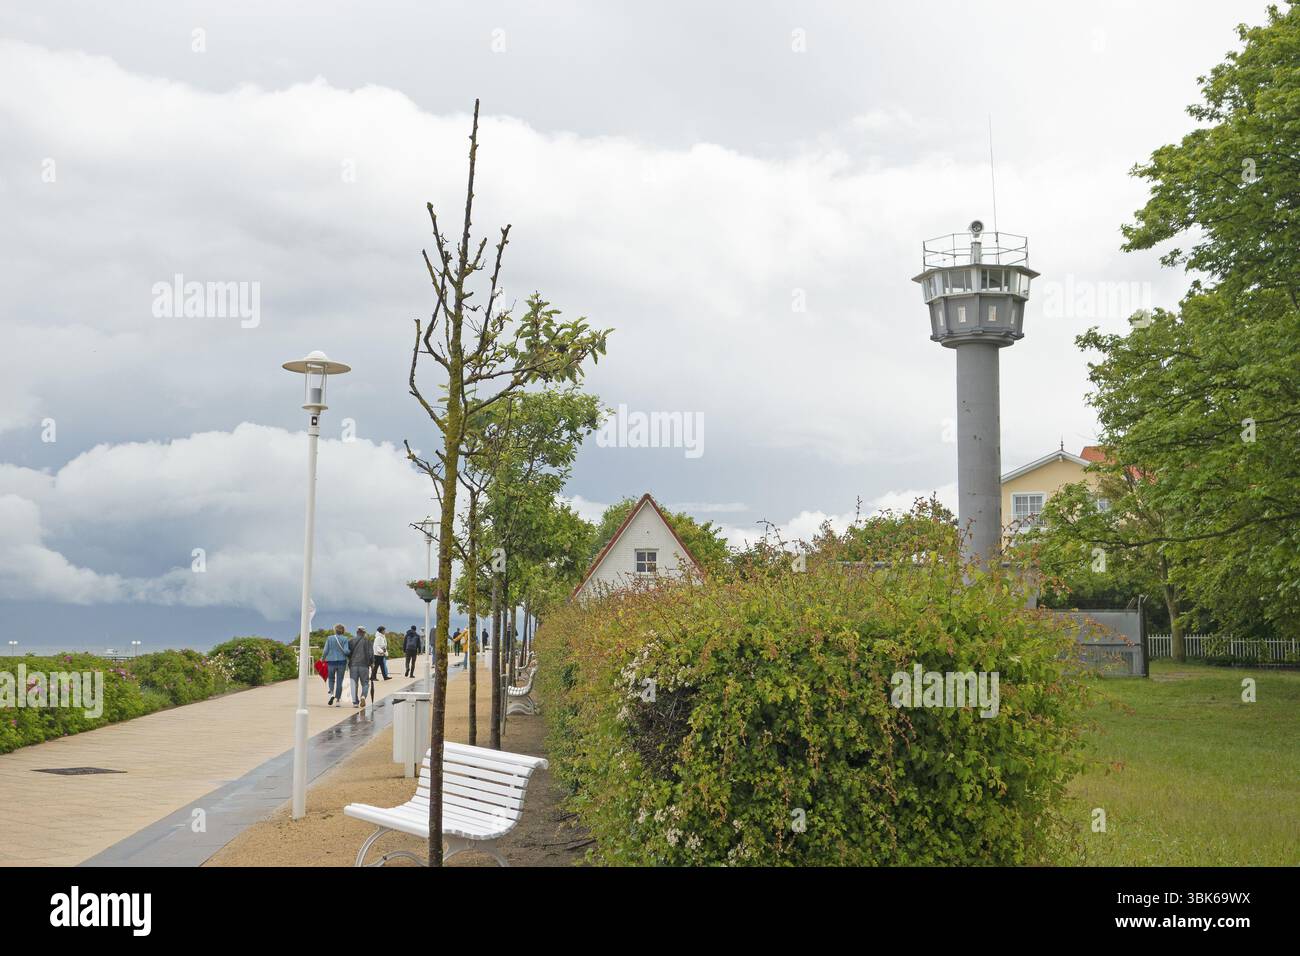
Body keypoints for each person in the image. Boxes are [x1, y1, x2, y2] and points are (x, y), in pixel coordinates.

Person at [322, 624, 351, 707]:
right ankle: (338, 701)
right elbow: (346, 651)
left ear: (335, 630)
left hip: (330, 662)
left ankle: (331, 694)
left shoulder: (329, 638)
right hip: (341, 662)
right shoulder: (345, 639)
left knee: (331, 679)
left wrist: (322, 659)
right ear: (343, 631)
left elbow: (325, 651)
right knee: (339, 681)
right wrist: (349, 652)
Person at [349, 625, 374, 708]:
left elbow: (348, 653)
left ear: (357, 632)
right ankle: (363, 696)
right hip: (364, 665)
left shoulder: (351, 640)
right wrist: (372, 663)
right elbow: (371, 654)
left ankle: (355, 703)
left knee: (354, 684)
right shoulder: (367, 641)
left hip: (353, 665)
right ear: (364, 633)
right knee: (365, 683)